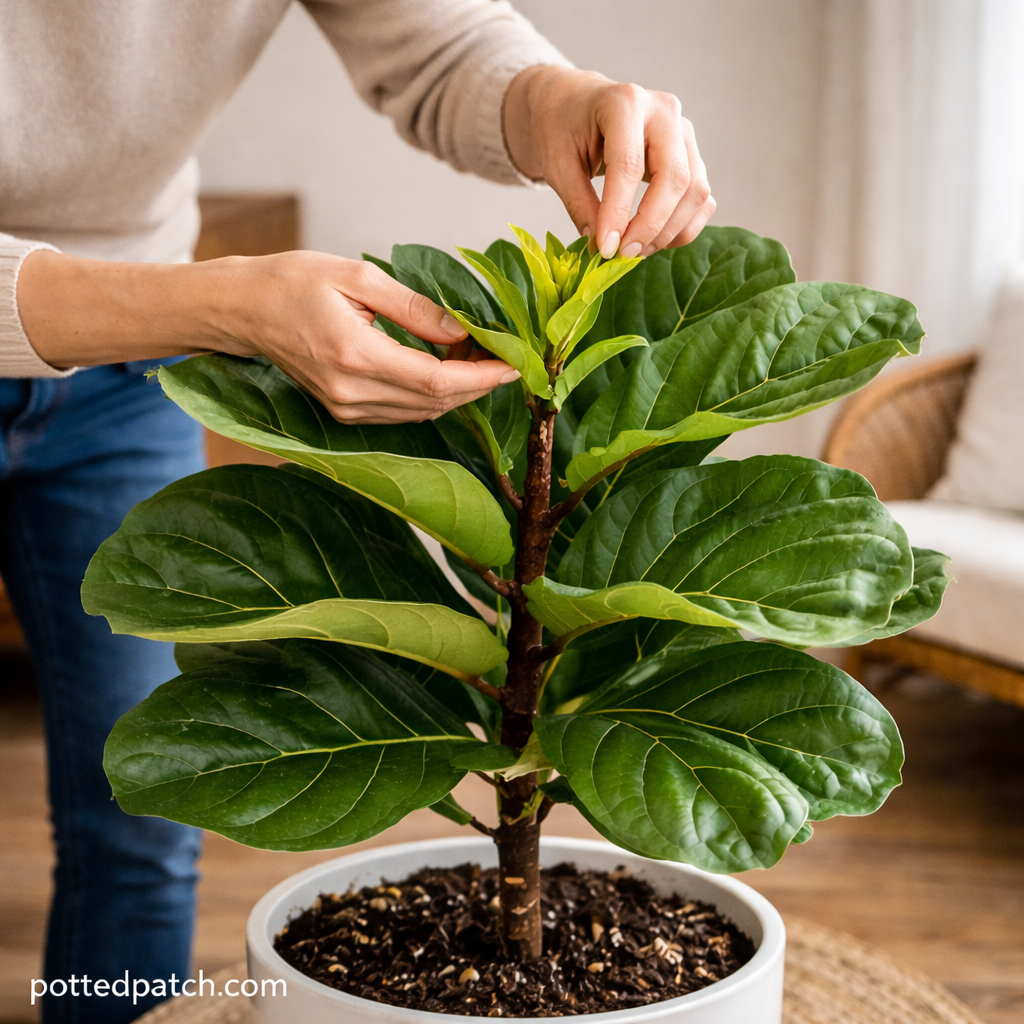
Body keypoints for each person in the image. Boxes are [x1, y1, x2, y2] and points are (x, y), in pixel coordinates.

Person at [0, 2, 714, 1021]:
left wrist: (559, 97)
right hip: (141, 307)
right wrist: (218, 303)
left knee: (141, 821)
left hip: (123, 357)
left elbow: (438, 40)